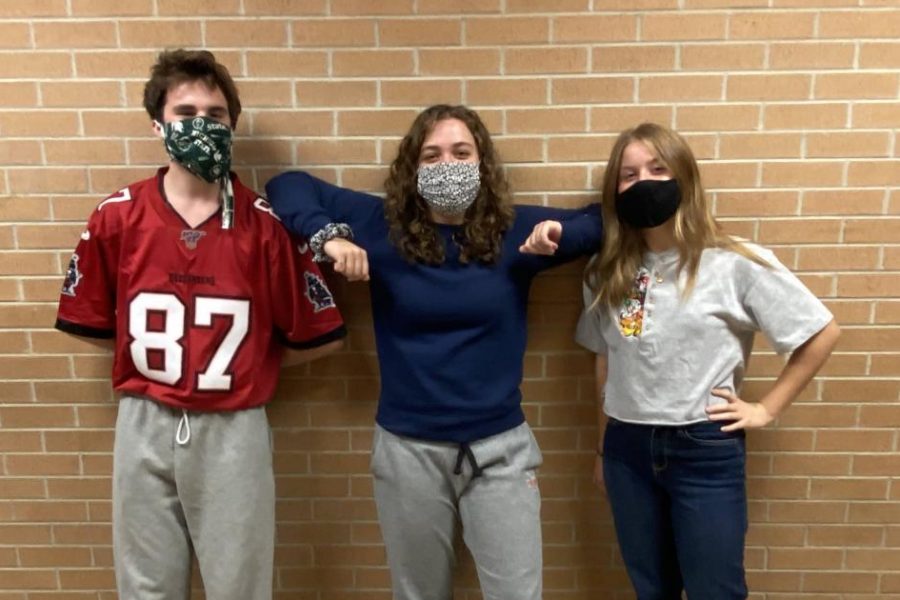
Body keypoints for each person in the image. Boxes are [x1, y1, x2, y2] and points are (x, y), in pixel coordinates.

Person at [265, 104, 602, 600]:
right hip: (408, 452)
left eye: (462, 152)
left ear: (482, 163)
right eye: (432, 154)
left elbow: (605, 222)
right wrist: (328, 237)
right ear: (413, 168)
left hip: (500, 452)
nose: (448, 164)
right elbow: (287, 185)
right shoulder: (381, 226)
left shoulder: (515, 233)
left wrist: (560, 235)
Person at [54, 49, 346, 600]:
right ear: (158, 123)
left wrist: (246, 358)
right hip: (144, 415)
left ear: (232, 125)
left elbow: (314, 336)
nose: (201, 125)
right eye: (186, 112)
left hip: (233, 424)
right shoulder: (118, 215)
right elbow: (91, 321)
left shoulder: (264, 227)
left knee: (239, 585)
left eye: (214, 115)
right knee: (145, 585)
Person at [573, 123, 840, 599]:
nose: (644, 183)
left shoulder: (735, 263)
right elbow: (605, 361)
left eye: (658, 169)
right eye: (628, 175)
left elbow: (821, 332)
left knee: (715, 589)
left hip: (703, 450)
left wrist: (766, 409)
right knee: (651, 587)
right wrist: (601, 447)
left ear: (685, 177)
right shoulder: (605, 272)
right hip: (626, 450)